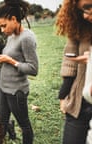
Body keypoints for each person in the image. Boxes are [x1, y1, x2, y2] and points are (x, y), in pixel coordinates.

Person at [0, 0, 39, 144]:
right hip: (4, 89)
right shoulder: (11, 35)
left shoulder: (27, 38)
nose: (2, 30)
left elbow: (33, 69)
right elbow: (10, 56)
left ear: (14, 19)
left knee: (24, 125)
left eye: (3, 25)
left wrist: (10, 61)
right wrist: (1, 59)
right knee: (0, 124)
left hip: (16, 92)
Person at [55, 0, 92, 143]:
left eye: (89, 8)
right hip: (80, 101)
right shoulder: (80, 26)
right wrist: (63, 95)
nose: (85, 15)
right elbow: (69, 61)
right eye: (82, 10)